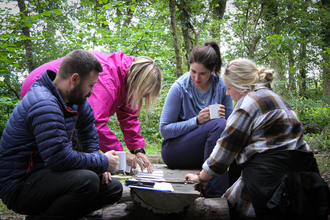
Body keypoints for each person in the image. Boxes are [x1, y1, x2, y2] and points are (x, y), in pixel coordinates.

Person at [185, 59, 330, 220]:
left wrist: (200, 178)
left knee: (228, 209)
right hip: (304, 184)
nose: (227, 93)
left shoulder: (248, 104)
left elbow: (223, 154)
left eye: (229, 88)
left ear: (241, 86)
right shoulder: (279, 100)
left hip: (269, 185)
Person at [0, 50, 124, 220]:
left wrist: (98, 165)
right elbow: (58, 158)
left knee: (113, 188)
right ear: (75, 79)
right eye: (90, 85)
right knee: (87, 181)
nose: (92, 91)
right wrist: (102, 161)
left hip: (46, 175)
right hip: (19, 186)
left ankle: (57, 215)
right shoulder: (45, 104)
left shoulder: (75, 100)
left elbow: (88, 132)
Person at [21, 51, 162, 173]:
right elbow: (96, 122)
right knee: (56, 142)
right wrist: (121, 154)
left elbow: (128, 115)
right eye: (144, 93)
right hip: (39, 85)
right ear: (139, 82)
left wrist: (138, 150)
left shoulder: (128, 80)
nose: (144, 97)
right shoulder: (108, 81)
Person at [160, 41, 236, 198]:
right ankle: (216, 195)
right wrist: (197, 121)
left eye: (202, 73)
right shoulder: (179, 87)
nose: (196, 77)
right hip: (175, 150)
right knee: (218, 125)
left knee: (224, 128)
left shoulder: (222, 86)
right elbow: (165, 130)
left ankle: (236, 195)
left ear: (212, 70)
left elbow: (232, 126)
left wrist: (225, 119)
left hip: (206, 152)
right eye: (193, 71)